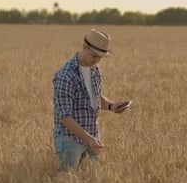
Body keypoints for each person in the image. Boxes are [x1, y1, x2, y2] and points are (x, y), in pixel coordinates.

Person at [52, 29, 131, 172]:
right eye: (94, 55)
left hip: (92, 136)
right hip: (70, 140)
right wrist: (89, 139)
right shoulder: (65, 75)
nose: (96, 60)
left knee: (89, 181)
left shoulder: (95, 69)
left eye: (100, 57)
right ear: (84, 47)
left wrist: (111, 106)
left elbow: (94, 96)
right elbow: (64, 116)